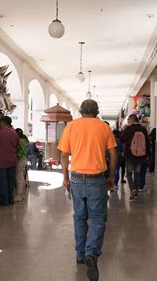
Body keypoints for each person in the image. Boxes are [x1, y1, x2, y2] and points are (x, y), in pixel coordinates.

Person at [58, 99, 117, 281]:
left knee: (79, 216)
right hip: (97, 180)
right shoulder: (104, 127)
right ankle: (91, 252)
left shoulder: (71, 127)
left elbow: (64, 155)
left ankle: (80, 254)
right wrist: (111, 176)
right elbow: (114, 154)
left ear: (81, 111)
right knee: (98, 217)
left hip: (76, 178)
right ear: (97, 111)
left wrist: (65, 178)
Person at [120, 114, 150, 200]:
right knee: (137, 173)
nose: (128, 121)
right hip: (141, 156)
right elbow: (147, 143)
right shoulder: (143, 129)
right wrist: (146, 154)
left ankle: (132, 189)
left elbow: (122, 139)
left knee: (129, 173)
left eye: (129, 120)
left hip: (130, 155)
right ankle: (136, 192)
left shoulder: (129, 129)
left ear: (132, 120)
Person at [0, 116, 19, 206]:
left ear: (3, 122)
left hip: (1, 162)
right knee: (10, 181)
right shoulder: (14, 133)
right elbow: (18, 147)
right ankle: (10, 199)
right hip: (12, 161)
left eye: (0, 122)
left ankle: (5, 200)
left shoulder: (0, 133)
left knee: (2, 181)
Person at [14, 128, 29, 202]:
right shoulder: (25, 140)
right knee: (21, 177)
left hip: (19, 160)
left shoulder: (19, 141)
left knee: (19, 178)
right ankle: (22, 194)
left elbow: (19, 152)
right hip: (24, 160)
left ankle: (19, 195)